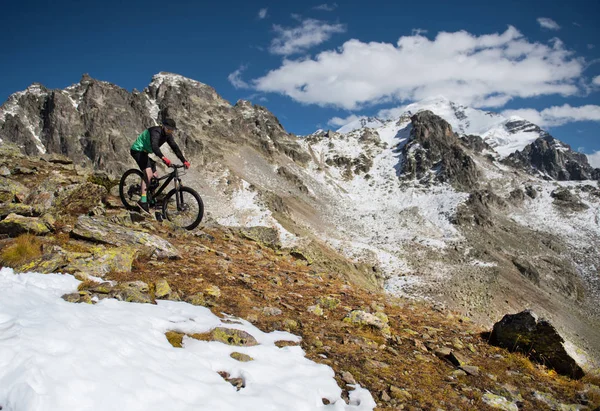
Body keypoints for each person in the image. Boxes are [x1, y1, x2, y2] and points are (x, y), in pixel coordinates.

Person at [130, 118, 190, 213]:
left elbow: (175, 147)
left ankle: (151, 199)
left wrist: (184, 160)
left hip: (145, 153)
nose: (169, 131)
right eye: (168, 129)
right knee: (148, 175)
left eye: (171, 130)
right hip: (138, 150)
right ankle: (143, 201)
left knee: (155, 178)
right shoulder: (155, 131)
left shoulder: (168, 135)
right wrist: (164, 158)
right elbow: (154, 147)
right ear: (163, 127)